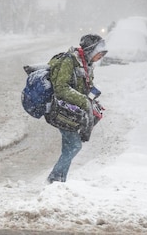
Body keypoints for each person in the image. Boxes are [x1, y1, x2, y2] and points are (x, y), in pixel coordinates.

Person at [46, 34, 107, 184]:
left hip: (74, 111)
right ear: (90, 51)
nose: (99, 58)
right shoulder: (69, 61)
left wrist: (91, 98)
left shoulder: (86, 64)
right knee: (74, 145)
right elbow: (61, 88)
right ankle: (55, 178)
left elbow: (85, 86)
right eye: (98, 54)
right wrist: (83, 101)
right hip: (62, 110)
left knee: (69, 147)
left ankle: (59, 180)